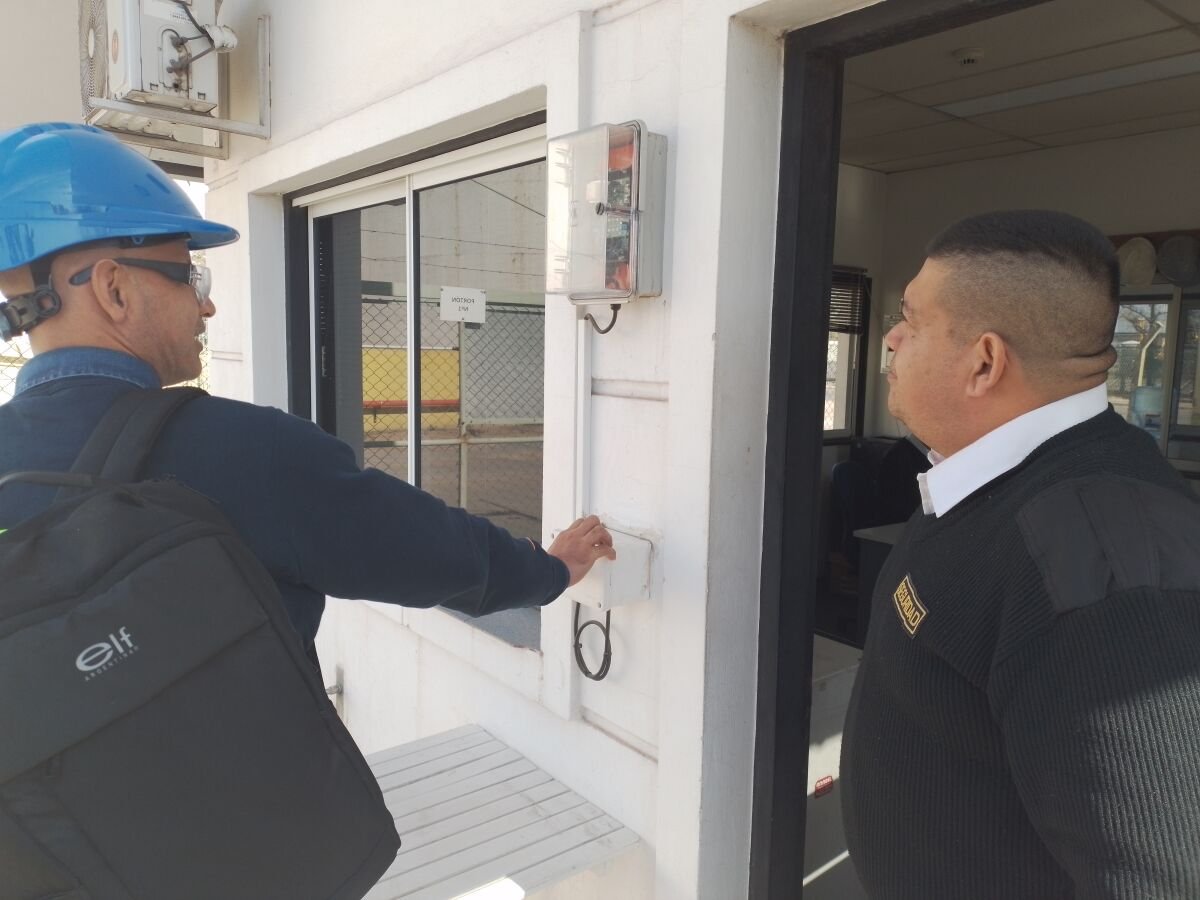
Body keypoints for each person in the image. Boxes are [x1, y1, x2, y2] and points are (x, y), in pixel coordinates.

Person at [0, 122, 614, 666]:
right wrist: (551, 569)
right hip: (238, 792)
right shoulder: (244, 451)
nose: (206, 304)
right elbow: (430, 553)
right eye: (190, 276)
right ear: (113, 290)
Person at [841, 209, 1200, 898]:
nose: (890, 338)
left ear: (984, 361)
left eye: (910, 321)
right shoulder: (995, 477)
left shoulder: (1110, 567)